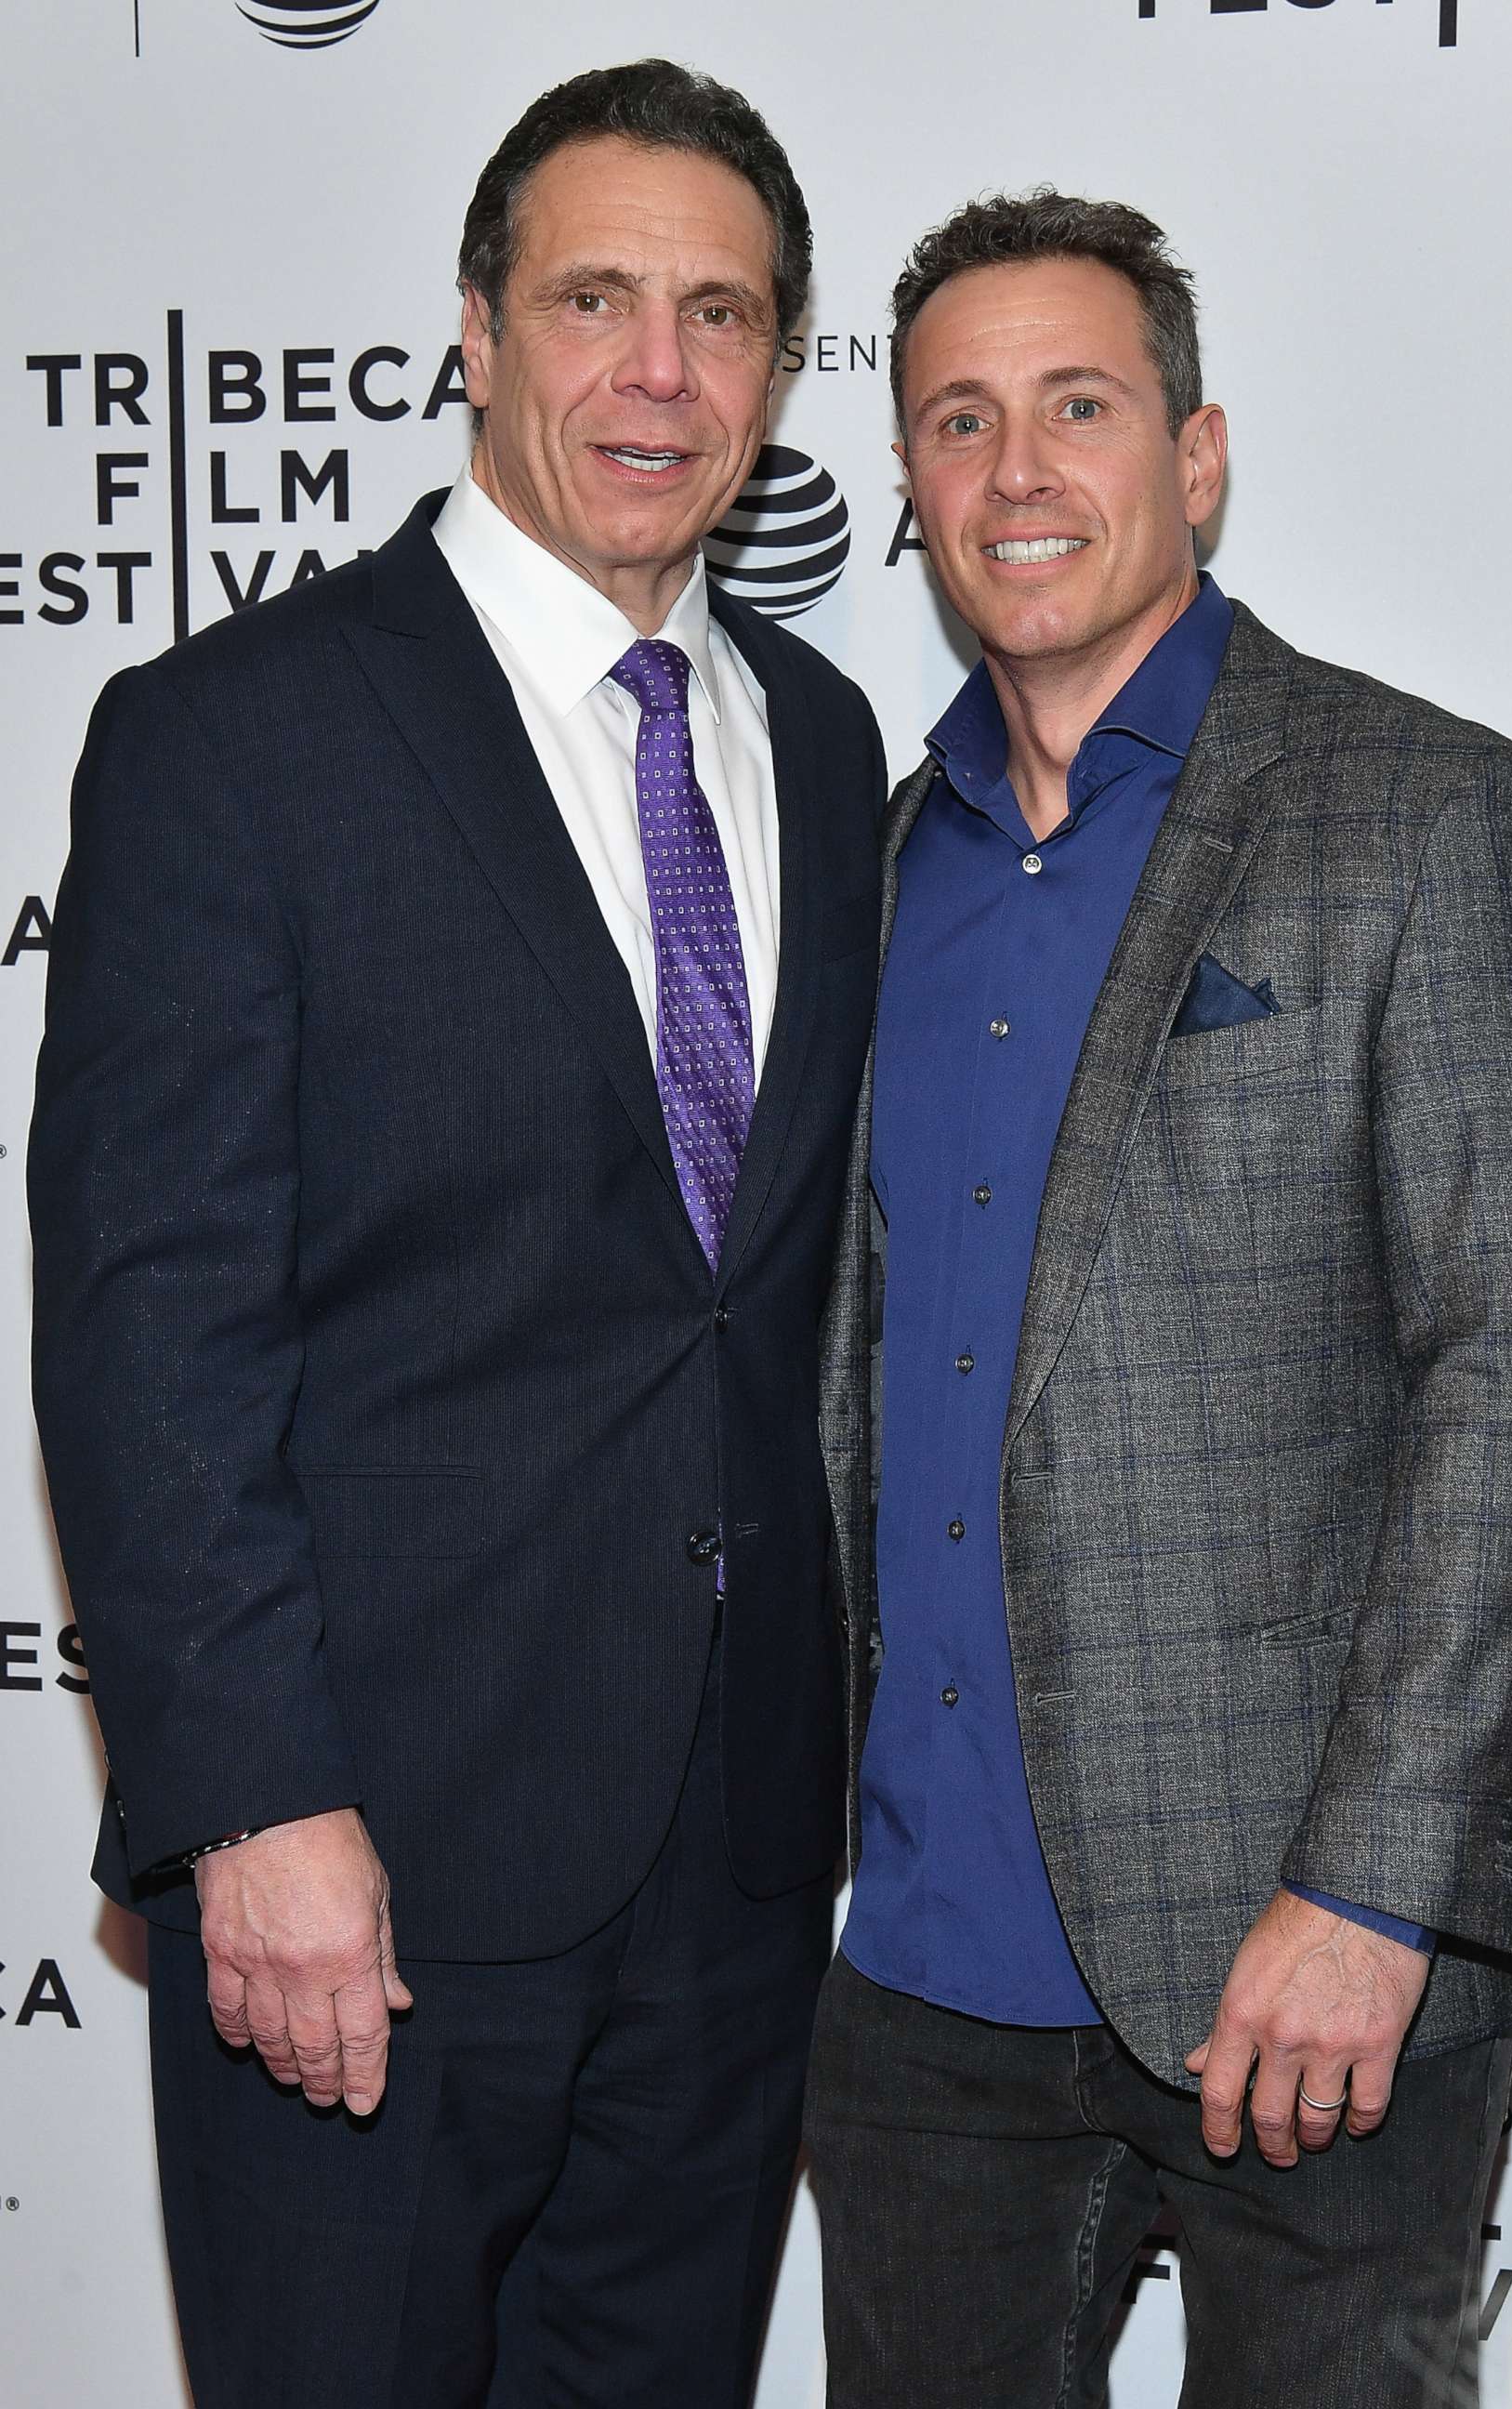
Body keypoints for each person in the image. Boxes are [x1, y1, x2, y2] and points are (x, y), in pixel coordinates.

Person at [30, 59, 883, 2409]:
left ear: (776, 369)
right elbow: (146, 1321)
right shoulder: (237, 736)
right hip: (365, 1877)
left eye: (724, 318)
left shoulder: (815, 737)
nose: (660, 373)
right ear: (479, 334)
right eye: (596, 299)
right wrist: (256, 1809)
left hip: (725, 1875)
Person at [805, 190, 1512, 2408]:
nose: (1017, 473)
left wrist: (1374, 1896)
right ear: (908, 486)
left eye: (1079, 405)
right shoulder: (876, 869)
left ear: (1201, 450)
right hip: (928, 1972)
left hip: (1309, 1967)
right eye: (957, 422)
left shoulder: (1434, 814)